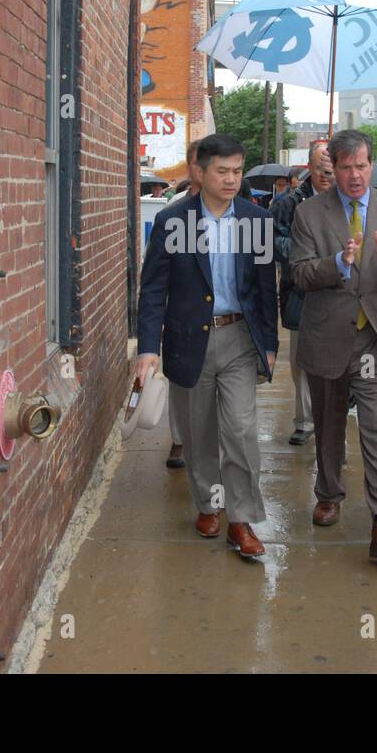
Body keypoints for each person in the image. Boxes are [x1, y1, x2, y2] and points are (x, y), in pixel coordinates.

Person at [136, 134, 279, 558]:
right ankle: (208, 503)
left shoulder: (257, 220)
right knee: (198, 435)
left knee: (240, 429)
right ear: (200, 172)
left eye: (238, 171)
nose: (232, 179)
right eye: (223, 171)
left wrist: (268, 342)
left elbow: (265, 288)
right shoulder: (172, 221)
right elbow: (153, 289)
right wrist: (148, 347)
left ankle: (241, 519)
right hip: (187, 339)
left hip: (239, 338)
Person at [290, 129, 377, 559]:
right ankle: (329, 493)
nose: (353, 175)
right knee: (328, 424)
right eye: (344, 167)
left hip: (376, 339)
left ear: (372, 164)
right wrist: (337, 263)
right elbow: (299, 274)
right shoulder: (309, 214)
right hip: (328, 335)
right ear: (332, 168)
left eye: (361, 166)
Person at [270, 140, 333, 447]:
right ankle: (305, 420)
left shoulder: (347, 199)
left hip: (338, 293)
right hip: (301, 292)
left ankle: (335, 411)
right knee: (301, 361)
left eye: (332, 169)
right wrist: (304, 255)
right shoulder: (288, 204)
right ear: (310, 167)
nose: (327, 175)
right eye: (321, 169)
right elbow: (273, 240)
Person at [162, 140, 201, 467]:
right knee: (181, 379)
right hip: (182, 308)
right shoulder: (173, 210)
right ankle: (179, 440)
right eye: (197, 165)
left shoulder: (237, 210)